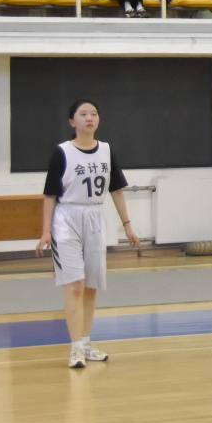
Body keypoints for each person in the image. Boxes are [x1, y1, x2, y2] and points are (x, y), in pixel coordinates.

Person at [35, 100, 141, 368]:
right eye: (83, 114)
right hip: (66, 218)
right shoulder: (62, 152)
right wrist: (45, 231)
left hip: (95, 217)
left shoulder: (106, 150)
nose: (89, 118)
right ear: (72, 121)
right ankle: (75, 349)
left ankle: (85, 343)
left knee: (91, 285)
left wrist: (127, 224)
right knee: (75, 284)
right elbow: (49, 195)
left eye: (93, 113)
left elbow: (116, 190)